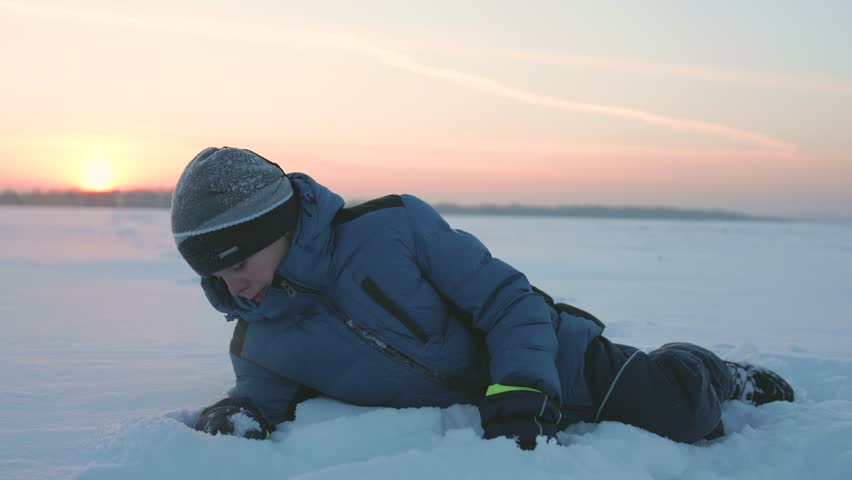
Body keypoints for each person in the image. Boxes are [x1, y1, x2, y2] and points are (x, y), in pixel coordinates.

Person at [171, 147, 794, 448]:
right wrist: (238, 413)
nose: (232, 289)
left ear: (275, 229)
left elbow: (509, 301)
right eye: (214, 279)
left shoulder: (394, 229)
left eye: (238, 265)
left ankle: (719, 370)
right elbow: (261, 394)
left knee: (686, 415)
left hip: (553, 359)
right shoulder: (259, 337)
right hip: (485, 413)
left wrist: (522, 385)